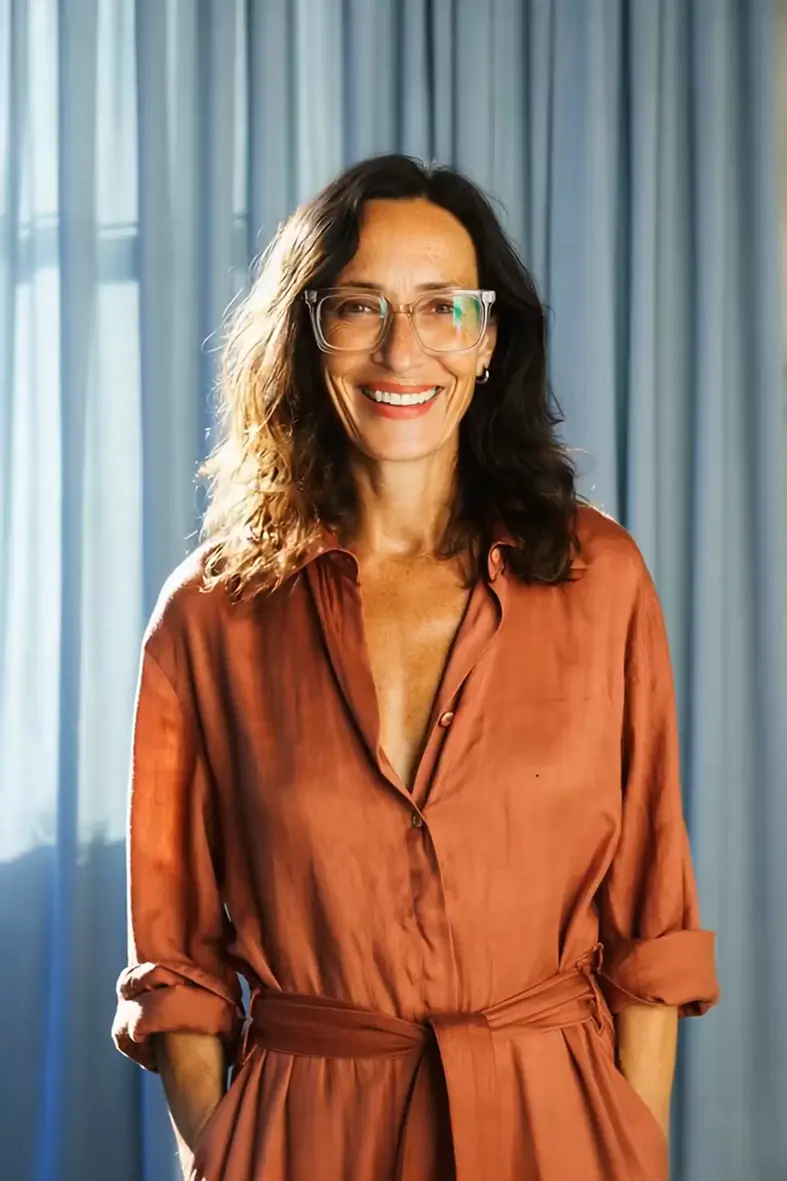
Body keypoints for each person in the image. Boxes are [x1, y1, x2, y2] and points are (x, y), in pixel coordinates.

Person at [112, 153, 719, 1181]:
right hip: (303, 1135)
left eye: (444, 305)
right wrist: (222, 1148)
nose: (404, 349)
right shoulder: (207, 617)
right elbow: (175, 963)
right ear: (308, 337)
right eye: (360, 306)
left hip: (558, 1127)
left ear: (488, 341)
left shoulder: (599, 576)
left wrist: (629, 1143)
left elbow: (651, 920)